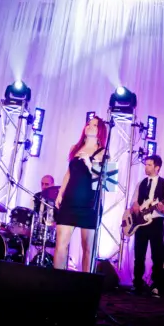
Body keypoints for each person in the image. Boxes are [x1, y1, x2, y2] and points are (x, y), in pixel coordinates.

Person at [53, 116, 107, 272]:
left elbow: (107, 182)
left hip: (89, 204)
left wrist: (90, 164)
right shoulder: (75, 148)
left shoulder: (104, 152)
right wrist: (60, 193)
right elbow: (68, 173)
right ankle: (56, 280)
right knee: (60, 244)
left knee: (88, 249)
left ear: (100, 130)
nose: (90, 126)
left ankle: (86, 282)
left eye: (95, 125)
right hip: (70, 201)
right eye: (89, 124)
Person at [129, 155, 164, 298]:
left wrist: (162, 208)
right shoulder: (141, 183)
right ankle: (137, 284)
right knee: (139, 255)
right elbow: (134, 201)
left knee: (157, 255)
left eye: (149, 165)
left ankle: (156, 286)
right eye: (146, 164)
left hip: (156, 222)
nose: (146, 167)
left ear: (157, 167)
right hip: (140, 223)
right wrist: (135, 206)